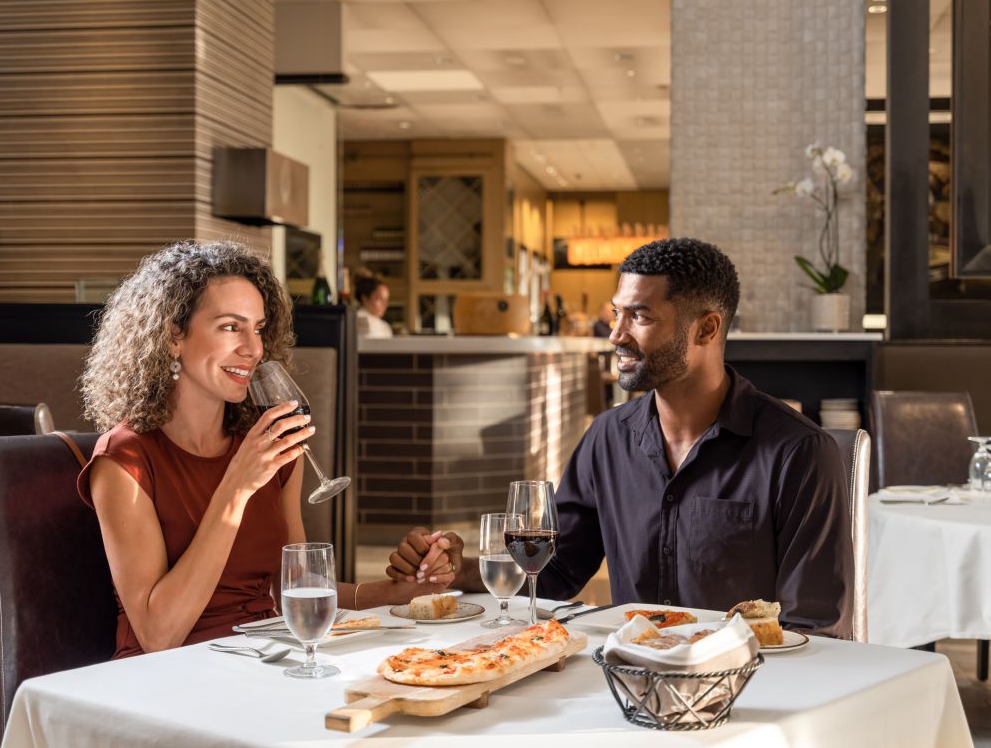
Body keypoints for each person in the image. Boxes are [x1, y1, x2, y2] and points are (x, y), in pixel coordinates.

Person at [386, 238, 853, 638]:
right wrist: (461, 569)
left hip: (745, 699)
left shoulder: (798, 453)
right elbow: (557, 572)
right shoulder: (607, 437)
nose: (615, 335)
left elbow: (811, 627)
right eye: (616, 313)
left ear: (707, 328)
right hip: (628, 680)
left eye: (640, 317)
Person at [79, 241, 451, 659]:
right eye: (230, 327)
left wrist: (398, 592)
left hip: (266, 656)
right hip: (170, 677)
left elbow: (291, 589)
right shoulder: (123, 461)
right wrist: (235, 489)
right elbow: (158, 635)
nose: (253, 349)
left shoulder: (268, 450)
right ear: (172, 336)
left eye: (257, 328)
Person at [355, 274, 393, 338]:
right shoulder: (360, 320)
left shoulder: (384, 326)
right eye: (380, 299)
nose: (385, 304)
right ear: (365, 299)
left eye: (386, 300)